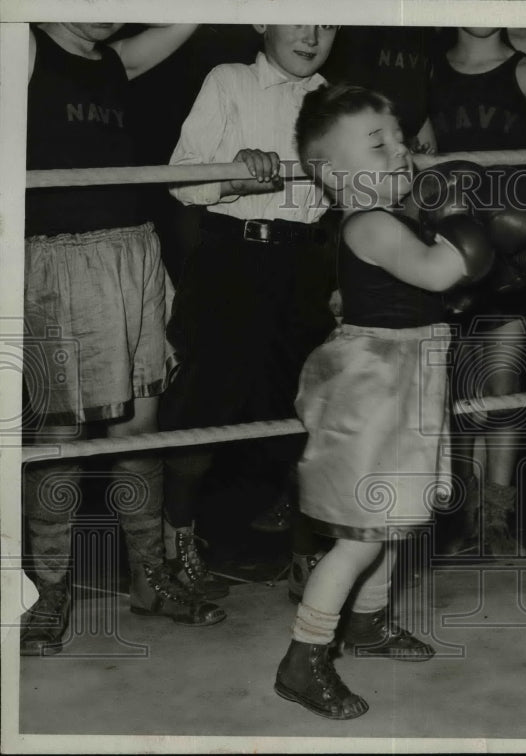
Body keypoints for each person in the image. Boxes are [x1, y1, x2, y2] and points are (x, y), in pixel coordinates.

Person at [273, 85, 498, 719]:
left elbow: (434, 289)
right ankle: (305, 655)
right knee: (360, 538)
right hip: (376, 385)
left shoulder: (391, 218)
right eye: (379, 144)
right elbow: (435, 273)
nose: (401, 150)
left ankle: (367, 624)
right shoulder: (369, 221)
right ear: (333, 173)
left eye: (399, 137)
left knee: (393, 520)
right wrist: (468, 224)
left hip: (408, 375)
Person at [20, 21, 226, 658]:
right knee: (60, 439)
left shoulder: (111, 58)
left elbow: (187, 19)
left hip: (135, 254)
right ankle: (45, 589)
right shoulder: (22, 46)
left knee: (141, 430)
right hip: (59, 262)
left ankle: (148, 577)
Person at [162, 25, 340, 599]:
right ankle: (177, 542)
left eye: (329, 21)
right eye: (297, 16)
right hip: (231, 260)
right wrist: (235, 174)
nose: (312, 34)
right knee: (203, 410)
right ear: (260, 19)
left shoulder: (335, 99)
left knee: (309, 412)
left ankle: (305, 557)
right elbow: (181, 178)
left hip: (308, 265)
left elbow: (358, 191)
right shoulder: (229, 81)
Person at [426, 27, 526, 556]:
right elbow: (421, 163)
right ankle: (462, 516)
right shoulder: (428, 72)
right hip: (448, 247)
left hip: (510, 248)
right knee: (456, 390)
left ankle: (496, 518)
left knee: (502, 384)